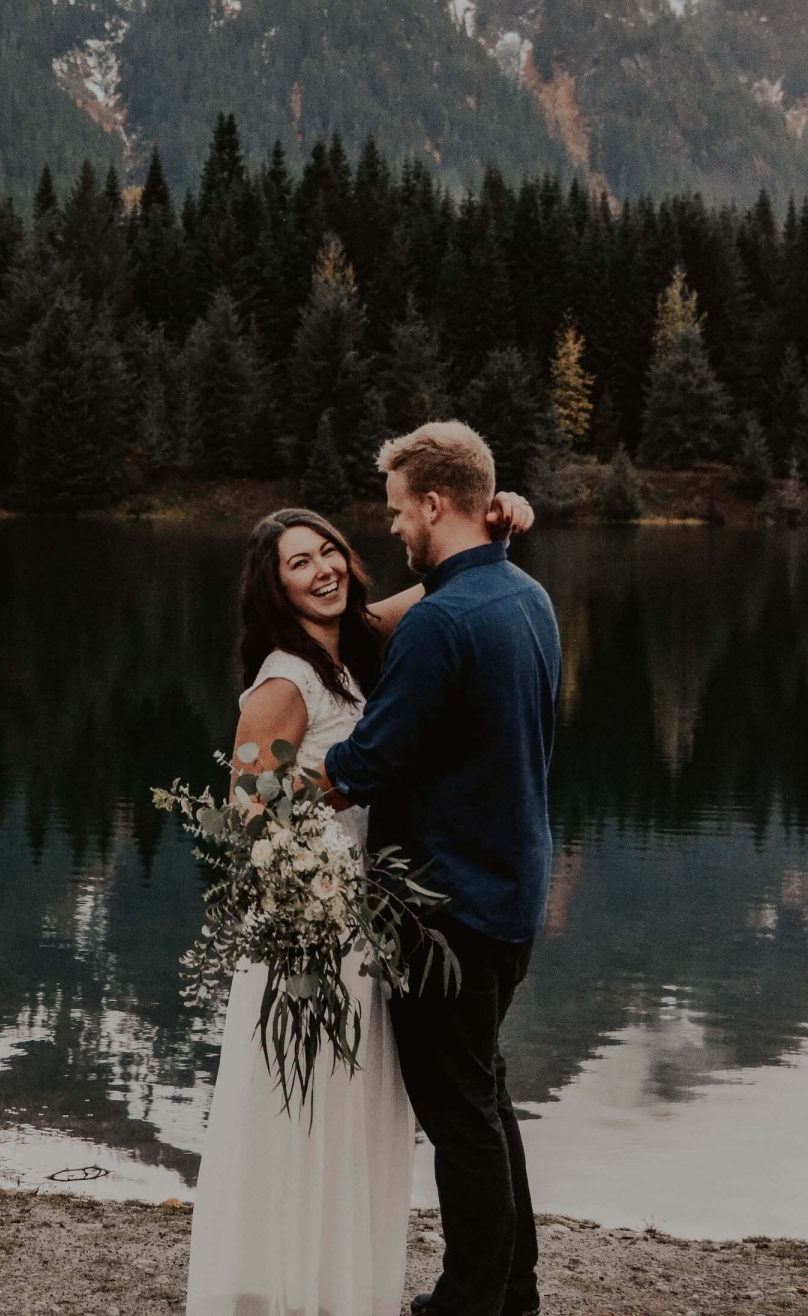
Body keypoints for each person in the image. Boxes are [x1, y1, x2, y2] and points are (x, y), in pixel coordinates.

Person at [186, 486, 535, 1316]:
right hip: (316, 920)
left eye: (328, 551)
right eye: (298, 563)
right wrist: (318, 875)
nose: (323, 569)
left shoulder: (355, 643)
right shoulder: (286, 678)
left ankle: (344, 1278)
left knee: (358, 1110)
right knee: (305, 1108)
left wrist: (499, 527)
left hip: (368, 918)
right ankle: (290, 1286)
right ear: (273, 588)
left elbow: (443, 586)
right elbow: (249, 805)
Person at [321, 423, 562, 1316]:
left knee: (460, 1116)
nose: (392, 530)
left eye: (397, 512)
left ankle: (469, 1301)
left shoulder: (444, 625)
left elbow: (359, 769)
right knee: (486, 1099)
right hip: (508, 894)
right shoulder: (525, 594)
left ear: (431, 503)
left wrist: (265, 785)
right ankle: (514, 1293)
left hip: (446, 910)